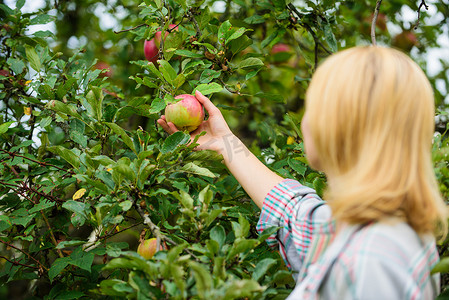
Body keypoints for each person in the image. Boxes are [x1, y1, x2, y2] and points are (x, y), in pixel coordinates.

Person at [157, 46, 448, 299]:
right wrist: (225, 143)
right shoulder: (368, 229)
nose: (305, 120)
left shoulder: (370, 260)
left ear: (343, 122)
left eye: (313, 105)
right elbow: (291, 209)